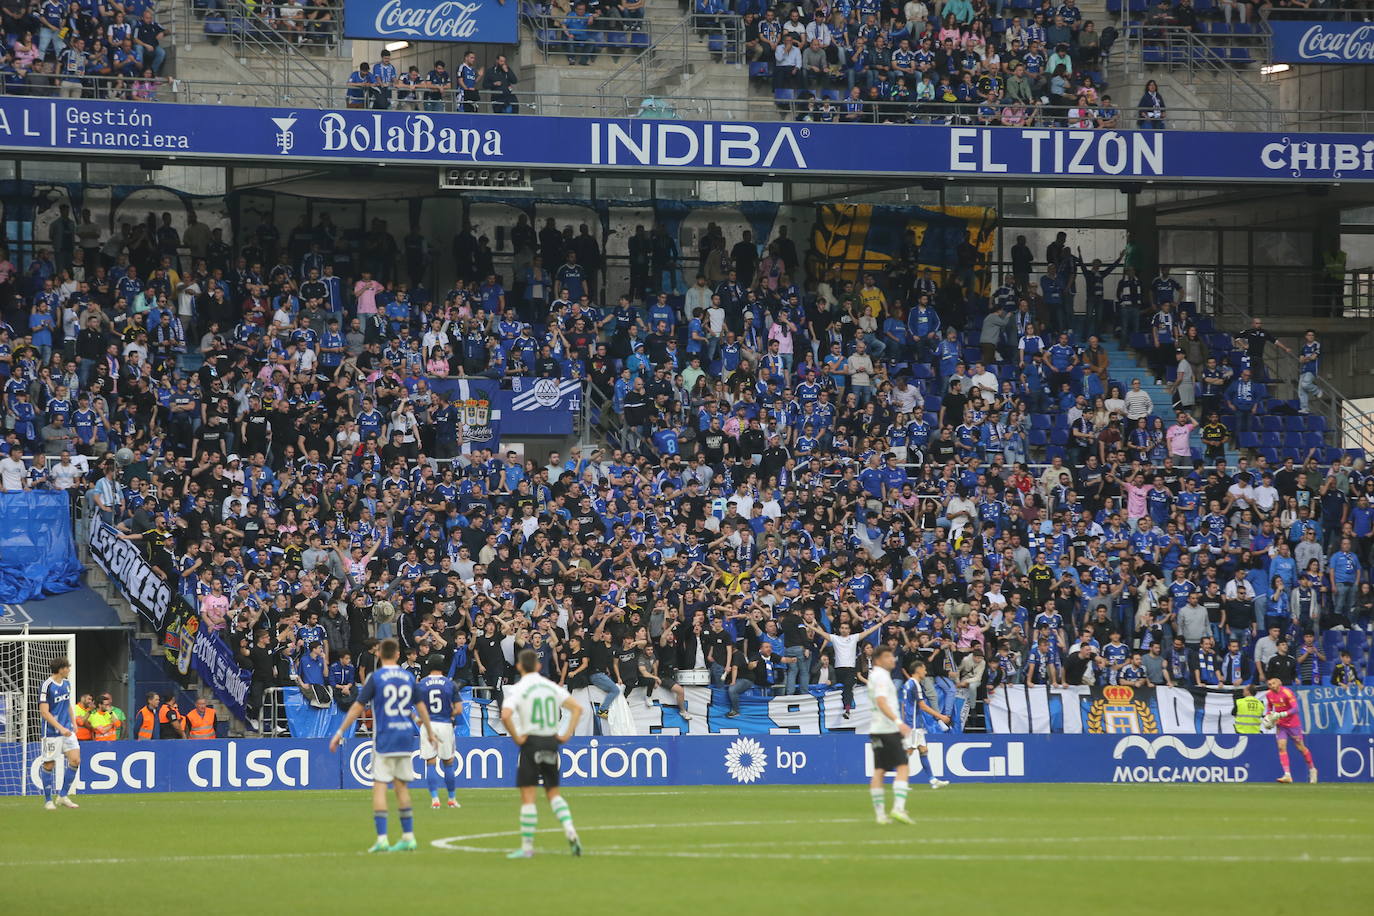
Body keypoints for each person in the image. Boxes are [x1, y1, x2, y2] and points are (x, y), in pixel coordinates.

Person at [329, 638, 437, 853]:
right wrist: (429, 731)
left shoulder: (375, 677)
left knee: (379, 785)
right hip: (405, 736)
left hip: (385, 738)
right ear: (398, 655)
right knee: (401, 786)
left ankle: (382, 839)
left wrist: (340, 732)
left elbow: (357, 707)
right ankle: (408, 836)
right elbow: (420, 706)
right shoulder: (408, 676)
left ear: (379, 654)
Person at [499, 648, 584, 858]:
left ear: (519, 666)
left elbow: (505, 715)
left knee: (528, 796)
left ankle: (527, 847)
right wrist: (564, 735)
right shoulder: (550, 686)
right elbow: (577, 709)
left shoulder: (518, 689)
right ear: (538, 666)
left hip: (531, 742)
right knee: (553, 793)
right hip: (551, 741)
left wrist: (517, 738)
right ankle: (571, 832)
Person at [866, 645, 912, 825]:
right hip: (888, 729)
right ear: (878, 659)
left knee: (879, 770)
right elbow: (881, 700)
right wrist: (898, 721)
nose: (892, 659)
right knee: (903, 766)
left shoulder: (874, 675)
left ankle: (880, 815)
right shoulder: (881, 676)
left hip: (876, 728)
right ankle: (898, 808)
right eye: (888, 657)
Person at [418, 657, 463, 809]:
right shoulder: (449, 684)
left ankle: (435, 800)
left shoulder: (422, 684)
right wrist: (450, 714)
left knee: (430, 762)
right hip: (444, 725)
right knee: (448, 762)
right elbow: (459, 709)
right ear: (443, 667)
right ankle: (451, 799)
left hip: (428, 724)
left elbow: (417, 707)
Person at [898, 658, 951, 790]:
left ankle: (932, 780)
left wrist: (904, 721)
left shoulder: (908, 684)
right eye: (924, 669)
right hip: (914, 724)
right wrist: (940, 716)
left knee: (923, 750)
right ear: (919, 670)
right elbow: (922, 706)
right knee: (909, 751)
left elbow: (904, 705)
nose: (926, 671)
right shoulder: (915, 684)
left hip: (914, 722)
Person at [38, 657, 80, 810]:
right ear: (61, 669)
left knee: (75, 760)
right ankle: (48, 801)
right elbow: (44, 712)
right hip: (51, 732)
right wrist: (60, 728)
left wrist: (73, 722)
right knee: (50, 764)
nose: (69, 670)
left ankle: (62, 796)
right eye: (67, 667)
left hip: (67, 730)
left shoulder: (67, 684)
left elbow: (67, 704)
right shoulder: (46, 685)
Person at [1264, 676, 1316, 784]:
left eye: (1273, 683)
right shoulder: (1269, 694)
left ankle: (1312, 769)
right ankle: (1287, 775)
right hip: (1281, 724)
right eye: (1269, 684)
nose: (1271, 686)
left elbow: (1295, 708)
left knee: (1300, 747)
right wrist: (1269, 715)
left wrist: (1282, 714)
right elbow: (1269, 707)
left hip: (1293, 724)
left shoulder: (1287, 692)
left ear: (1279, 683)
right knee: (1281, 747)